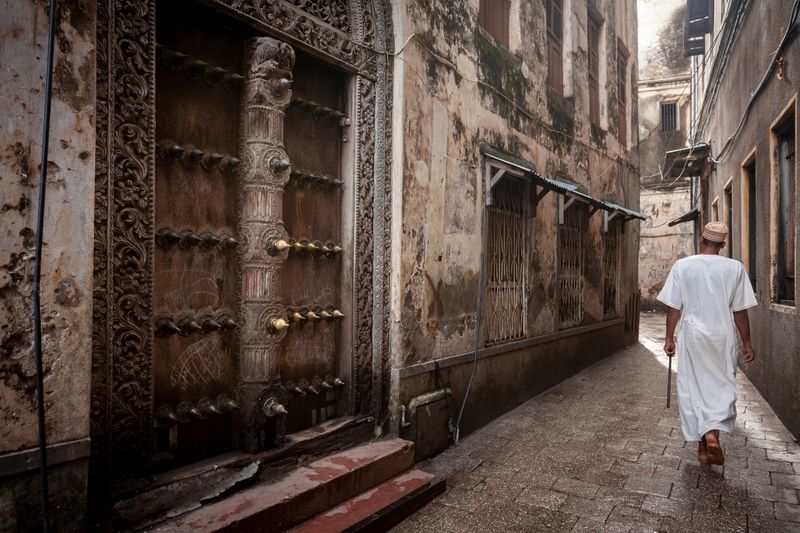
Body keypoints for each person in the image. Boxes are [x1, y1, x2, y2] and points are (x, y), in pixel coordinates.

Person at [656, 221, 757, 465]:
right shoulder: (735, 268)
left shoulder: (683, 266)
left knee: (694, 387)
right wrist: (747, 343)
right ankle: (712, 435)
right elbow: (740, 313)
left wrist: (669, 338)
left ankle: (704, 445)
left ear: (702, 240)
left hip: (693, 336)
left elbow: (674, 307)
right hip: (722, 337)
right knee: (720, 386)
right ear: (723, 244)